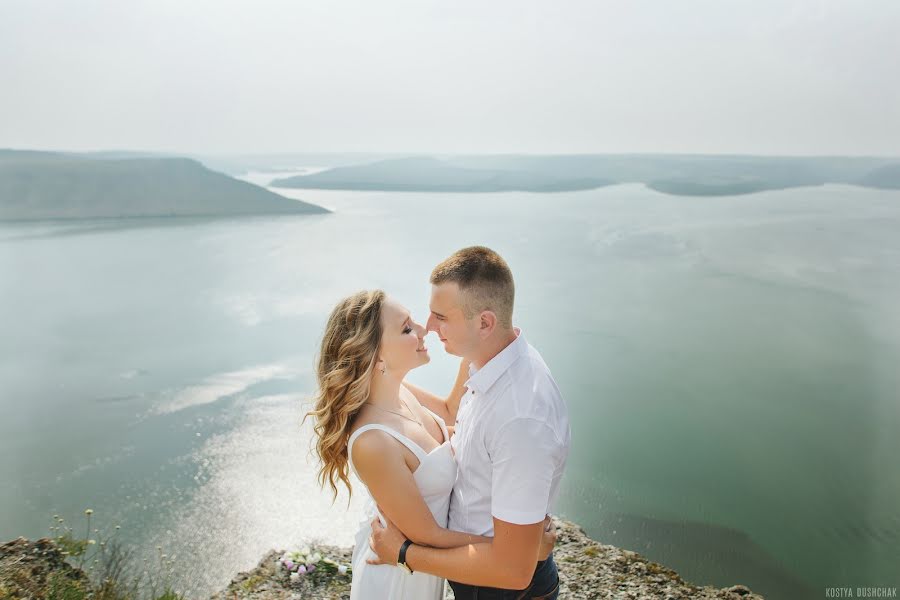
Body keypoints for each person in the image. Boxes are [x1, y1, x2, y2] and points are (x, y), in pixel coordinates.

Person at [305, 288, 555, 599]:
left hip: (426, 566)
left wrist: (481, 338)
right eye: (407, 328)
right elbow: (427, 535)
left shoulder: (399, 391)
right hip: (397, 578)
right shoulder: (373, 442)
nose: (425, 329)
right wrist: (523, 550)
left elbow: (452, 411)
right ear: (377, 356)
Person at [368, 246, 571, 599]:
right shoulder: (491, 358)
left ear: (485, 322)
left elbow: (512, 570)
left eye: (441, 317)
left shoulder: (520, 419)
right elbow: (460, 423)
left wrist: (402, 554)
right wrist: (376, 376)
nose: (428, 328)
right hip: (478, 576)